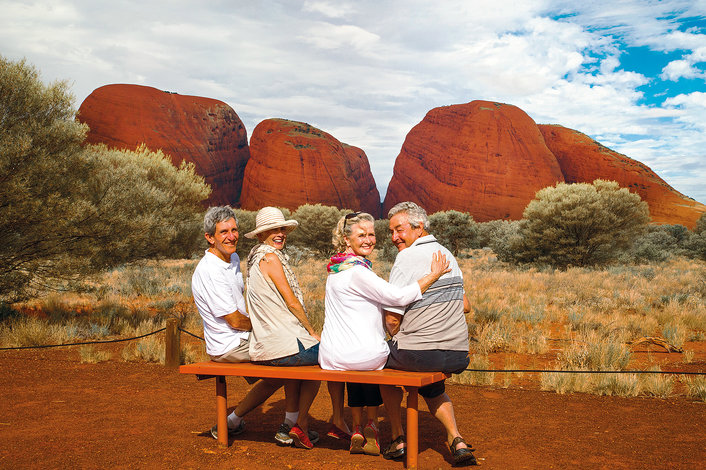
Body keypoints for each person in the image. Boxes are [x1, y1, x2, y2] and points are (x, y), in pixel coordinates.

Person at [318, 211, 450, 456]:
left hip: (331, 357)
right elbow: (397, 297)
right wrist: (433, 275)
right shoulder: (359, 272)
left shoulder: (335, 270)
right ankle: (374, 424)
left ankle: (357, 426)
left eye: (371, 234)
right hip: (362, 357)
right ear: (346, 239)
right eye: (361, 235)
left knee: (357, 363)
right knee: (376, 359)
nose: (369, 240)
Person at [380, 201, 477, 466]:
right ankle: (456, 439)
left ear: (419, 227)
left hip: (420, 354)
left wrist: (396, 334)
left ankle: (398, 438)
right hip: (457, 354)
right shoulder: (446, 254)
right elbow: (465, 305)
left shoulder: (406, 258)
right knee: (433, 386)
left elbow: (392, 319)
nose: (394, 237)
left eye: (399, 230)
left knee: (379, 363)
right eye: (391, 231)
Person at [190, 206, 284, 441]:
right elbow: (233, 319)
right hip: (229, 345)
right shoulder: (210, 270)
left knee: (286, 361)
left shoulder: (231, 258)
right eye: (223, 232)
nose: (231, 237)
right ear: (210, 237)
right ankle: (291, 426)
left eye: (234, 230)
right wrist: (266, 326)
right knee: (289, 356)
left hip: (241, 338)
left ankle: (234, 421)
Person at [244, 207, 321, 450]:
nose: (280, 233)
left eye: (282, 229)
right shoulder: (271, 258)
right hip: (282, 348)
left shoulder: (253, 261)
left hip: (266, 347)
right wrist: (311, 331)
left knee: (296, 366)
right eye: (273, 230)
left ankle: (287, 425)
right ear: (260, 235)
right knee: (326, 358)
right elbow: (291, 301)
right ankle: (301, 424)